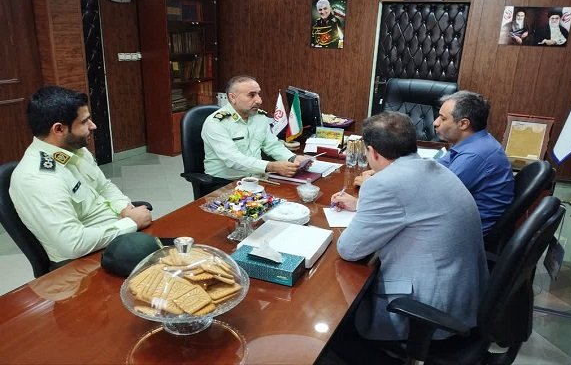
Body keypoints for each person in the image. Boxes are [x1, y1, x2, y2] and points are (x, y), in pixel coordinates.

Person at [330, 112, 488, 349]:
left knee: (336, 321)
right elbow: (415, 206)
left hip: (427, 311)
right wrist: (361, 205)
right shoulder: (435, 168)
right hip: (462, 297)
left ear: (372, 152)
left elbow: (350, 250)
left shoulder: (383, 183)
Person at [9, 86, 152, 265]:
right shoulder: (38, 179)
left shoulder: (74, 149)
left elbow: (104, 186)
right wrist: (131, 223)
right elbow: (73, 244)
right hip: (84, 260)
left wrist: (125, 208)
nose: (93, 126)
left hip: (116, 234)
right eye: (84, 122)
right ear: (59, 129)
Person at [201, 75, 310, 183]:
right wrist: (271, 166)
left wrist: (293, 158)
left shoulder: (259, 117)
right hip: (224, 183)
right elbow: (232, 159)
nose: (259, 100)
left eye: (258, 94)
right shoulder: (216, 123)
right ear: (233, 97)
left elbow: (272, 145)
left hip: (257, 178)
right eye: (251, 95)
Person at [433, 91, 514, 234]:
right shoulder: (473, 142)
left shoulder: (475, 155)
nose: (435, 122)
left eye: (442, 118)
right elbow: (436, 168)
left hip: (467, 234)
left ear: (463, 124)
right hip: (458, 220)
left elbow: (435, 195)